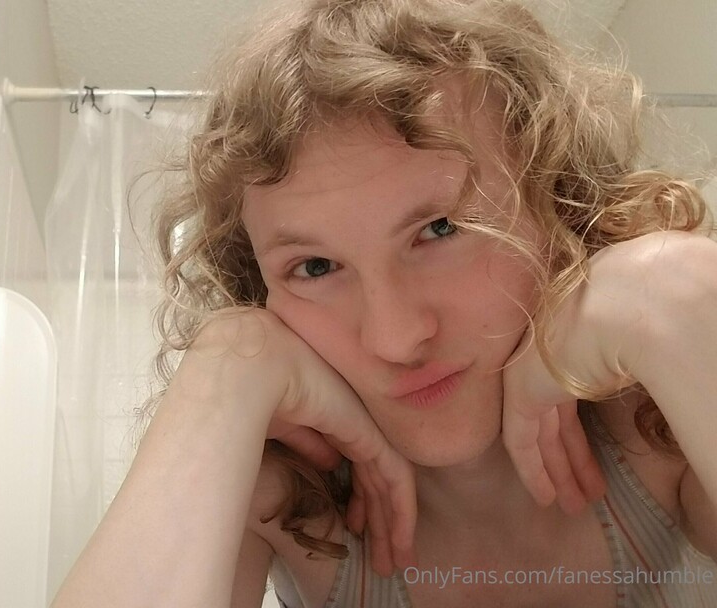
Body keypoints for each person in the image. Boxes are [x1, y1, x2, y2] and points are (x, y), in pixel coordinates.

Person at [50, 0, 717, 606]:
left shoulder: (659, 432)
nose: (395, 338)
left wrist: (665, 292)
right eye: (315, 267)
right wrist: (229, 362)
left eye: (441, 229)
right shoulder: (282, 506)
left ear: (559, 201)